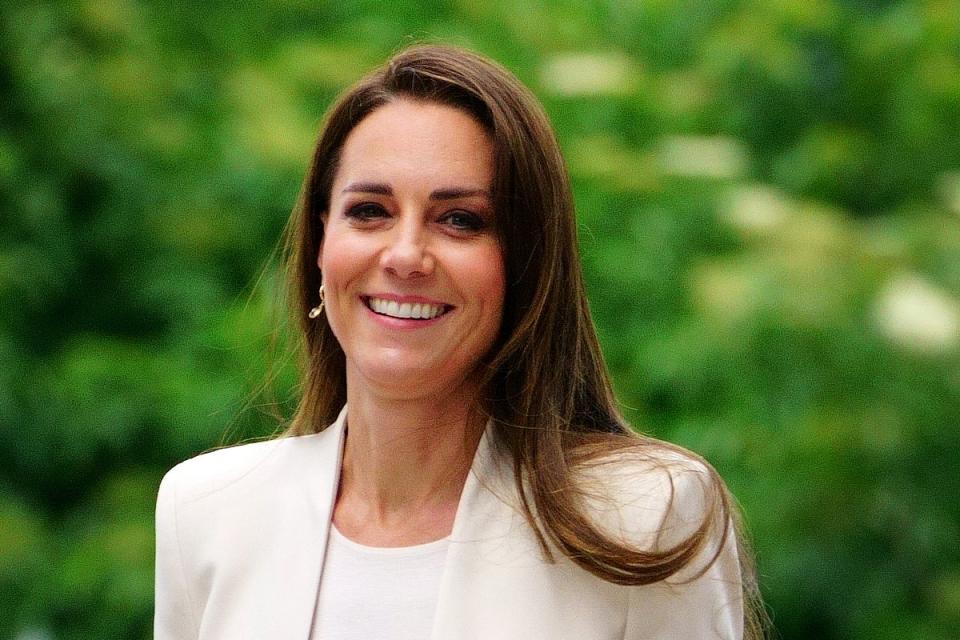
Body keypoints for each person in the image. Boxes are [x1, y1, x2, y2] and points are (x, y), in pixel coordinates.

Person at [154, 44, 763, 639]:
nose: (405, 255)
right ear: (321, 244)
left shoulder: (643, 519)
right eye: (369, 210)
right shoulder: (206, 512)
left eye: (460, 220)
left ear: (523, 262)